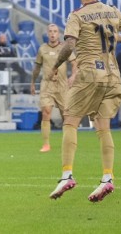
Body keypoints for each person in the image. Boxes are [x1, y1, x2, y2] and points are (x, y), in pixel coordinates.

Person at [48, 0, 121, 202]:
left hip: (89, 73)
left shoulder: (77, 15)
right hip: (113, 75)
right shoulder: (112, 10)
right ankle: (107, 177)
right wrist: (120, 39)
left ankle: (67, 174)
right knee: (103, 127)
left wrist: (56, 65)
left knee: (70, 118)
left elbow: (69, 45)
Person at [30, 24, 77, 152]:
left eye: (55, 31)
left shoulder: (65, 49)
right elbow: (37, 67)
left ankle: (68, 143)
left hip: (62, 86)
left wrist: (73, 76)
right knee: (46, 112)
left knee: (66, 116)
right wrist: (33, 83)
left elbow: (74, 64)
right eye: (50, 31)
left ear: (58, 34)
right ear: (47, 33)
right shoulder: (42, 49)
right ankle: (46, 144)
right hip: (47, 84)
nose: (52, 34)